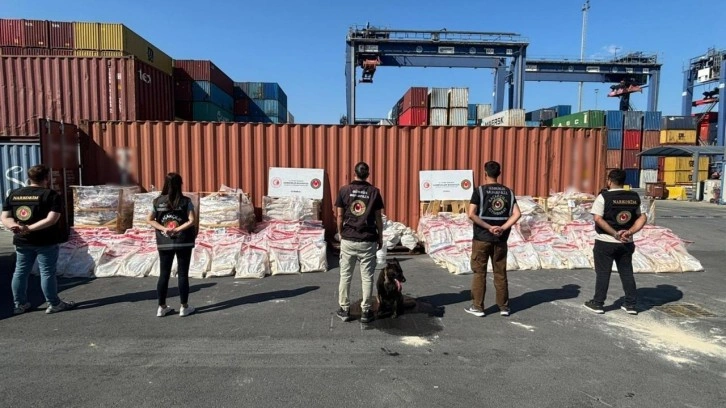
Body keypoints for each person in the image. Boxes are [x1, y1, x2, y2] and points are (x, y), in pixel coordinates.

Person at [1, 164, 75, 315]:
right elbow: (51, 219)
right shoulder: (50, 195)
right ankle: (54, 304)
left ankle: (20, 304)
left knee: (20, 272)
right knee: (47, 272)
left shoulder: (14, 194)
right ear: (47, 178)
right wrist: (29, 228)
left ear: (29, 178)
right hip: (45, 241)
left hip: (22, 241)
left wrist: (15, 226)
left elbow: (4, 217)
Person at [584, 169, 647, 315]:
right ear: (624, 181)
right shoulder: (634, 196)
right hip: (626, 243)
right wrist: (629, 232)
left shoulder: (603, 197)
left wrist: (614, 234)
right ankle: (630, 305)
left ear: (609, 181)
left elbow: (598, 218)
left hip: (605, 241)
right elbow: (643, 217)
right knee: (626, 272)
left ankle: (598, 303)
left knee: (603, 273)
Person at [465, 161, 521, 317]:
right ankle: (503, 307)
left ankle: (478, 307)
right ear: (499, 173)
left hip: (482, 238)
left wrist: (488, 227)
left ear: (485, 173)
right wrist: (503, 227)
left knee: (479, 272)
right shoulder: (509, 192)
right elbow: (517, 214)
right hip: (501, 239)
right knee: (500, 273)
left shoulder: (479, 191)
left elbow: (471, 214)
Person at [335, 162, 384, 324]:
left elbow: (340, 216)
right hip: (367, 240)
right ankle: (365, 311)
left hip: (349, 238)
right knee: (367, 277)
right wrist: (380, 237)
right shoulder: (374, 192)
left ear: (354, 173)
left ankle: (344, 309)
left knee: (345, 275)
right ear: (368, 175)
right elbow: (378, 217)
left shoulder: (344, 190)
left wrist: (341, 233)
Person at [147, 173, 197, 317]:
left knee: (164, 274)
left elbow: (149, 219)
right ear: (180, 184)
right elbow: (191, 220)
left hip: (164, 242)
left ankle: (161, 306)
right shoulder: (185, 201)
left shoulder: (157, 202)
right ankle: (184, 306)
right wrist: (178, 229)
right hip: (184, 242)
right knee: (183, 274)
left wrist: (164, 229)